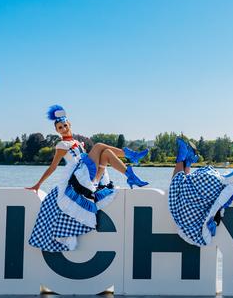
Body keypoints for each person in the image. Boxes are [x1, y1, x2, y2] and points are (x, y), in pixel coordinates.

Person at [27, 105, 149, 252]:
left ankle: (131, 177)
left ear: (69, 124)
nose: (64, 129)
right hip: (80, 176)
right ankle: (131, 155)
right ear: (57, 131)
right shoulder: (62, 145)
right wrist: (38, 184)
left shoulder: (77, 143)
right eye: (60, 128)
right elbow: (53, 167)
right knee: (98, 146)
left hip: (90, 175)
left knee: (107, 153)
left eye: (65, 125)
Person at [168, 131, 233, 246]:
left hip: (216, 183)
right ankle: (181, 157)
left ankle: (188, 160)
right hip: (215, 185)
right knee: (179, 185)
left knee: (184, 185)